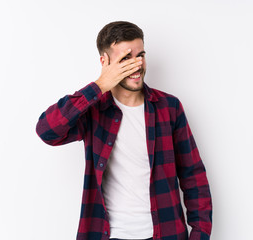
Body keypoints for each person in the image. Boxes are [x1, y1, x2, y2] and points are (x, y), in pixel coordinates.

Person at [36, 21, 213, 240]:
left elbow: (193, 175)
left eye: (140, 55)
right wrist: (100, 85)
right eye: (125, 59)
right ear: (105, 62)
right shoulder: (94, 110)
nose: (136, 65)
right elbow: (47, 130)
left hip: (166, 233)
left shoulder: (169, 107)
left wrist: (200, 234)